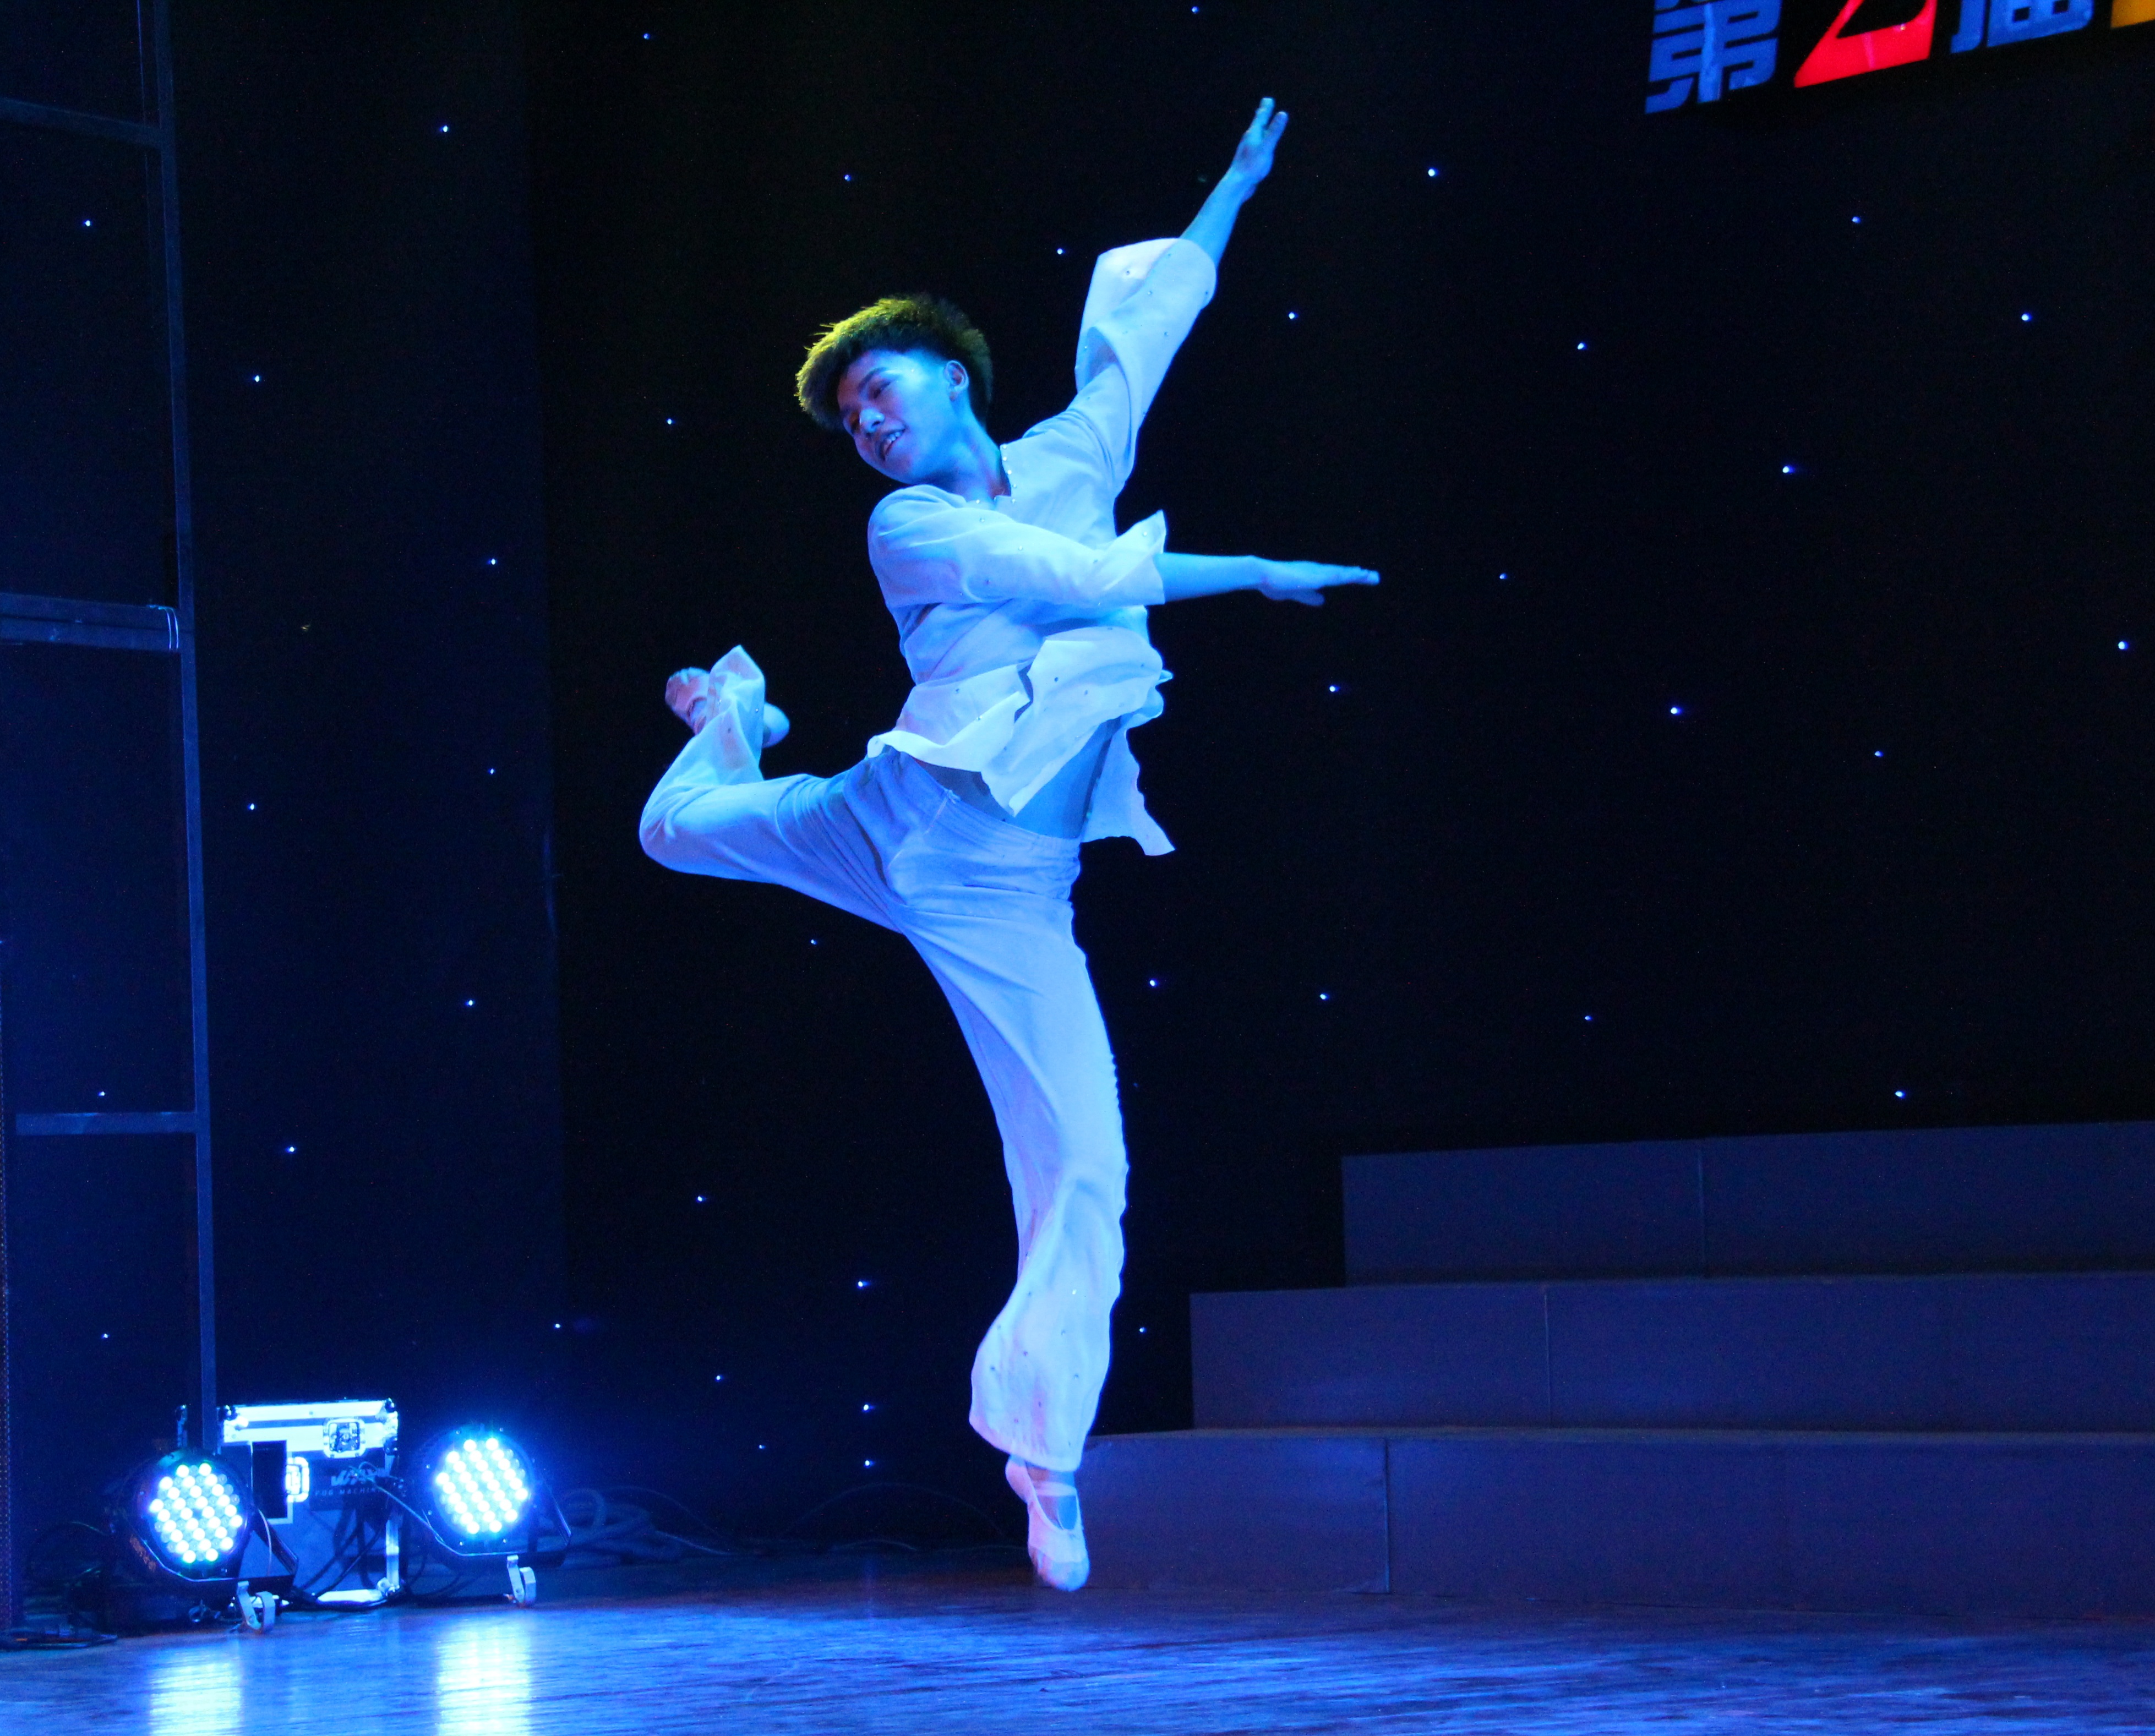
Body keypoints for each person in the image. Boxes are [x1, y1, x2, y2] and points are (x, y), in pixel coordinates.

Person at [639, 98, 1376, 1591]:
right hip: (894, 818)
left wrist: (1231, 190)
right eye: (849, 418)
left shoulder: (1066, 456)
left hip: (1010, 892)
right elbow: (1083, 579)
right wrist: (1257, 568)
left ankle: (1042, 1450)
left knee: (1086, 1165)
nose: (867, 422)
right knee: (669, 828)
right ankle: (732, 711)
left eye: (878, 388)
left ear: (951, 373)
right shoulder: (908, 526)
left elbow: (1139, 341)